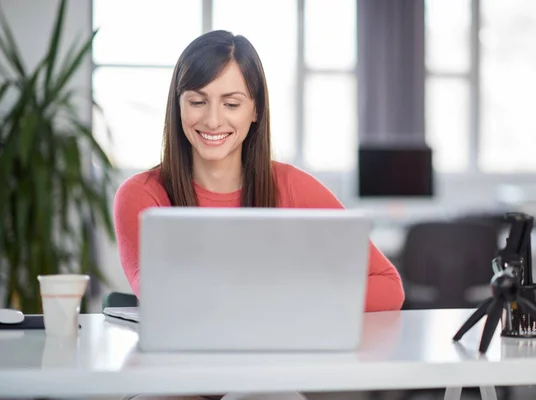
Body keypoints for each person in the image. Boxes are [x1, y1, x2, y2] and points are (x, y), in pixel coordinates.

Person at [113, 30, 405, 400]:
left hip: (263, 378)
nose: (213, 120)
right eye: (197, 101)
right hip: (173, 377)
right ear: (179, 106)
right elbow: (162, 298)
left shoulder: (292, 186)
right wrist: (281, 298)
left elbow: (388, 285)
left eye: (232, 103)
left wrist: (293, 298)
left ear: (256, 111)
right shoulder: (140, 195)